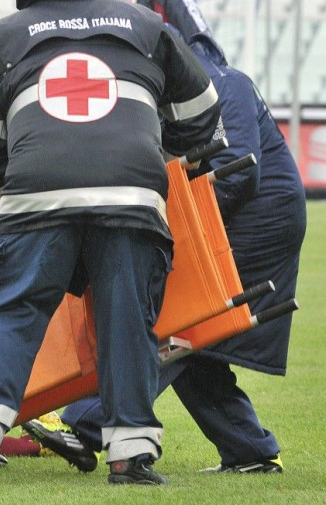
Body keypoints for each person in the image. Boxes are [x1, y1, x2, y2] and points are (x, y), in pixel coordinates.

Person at [0, 0, 220, 485]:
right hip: (132, 194)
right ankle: (131, 457)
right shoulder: (146, 26)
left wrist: (18, 194)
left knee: (5, 311)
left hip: (37, 191)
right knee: (127, 319)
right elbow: (203, 111)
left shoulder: (3, 37)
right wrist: (157, 159)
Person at [32, 25, 307, 476]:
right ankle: (250, 450)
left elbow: (238, 175)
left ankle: (85, 425)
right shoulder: (198, 86)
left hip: (255, 224)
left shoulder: (222, 82)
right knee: (197, 340)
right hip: (242, 219)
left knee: (179, 323)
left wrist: (163, 230)